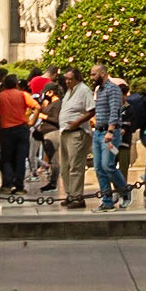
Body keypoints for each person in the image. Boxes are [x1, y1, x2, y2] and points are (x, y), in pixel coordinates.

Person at [89, 62, 131, 212]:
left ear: (102, 73)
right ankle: (107, 200)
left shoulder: (113, 89)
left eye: (94, 74)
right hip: (98, 132)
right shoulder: (99, 90)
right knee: (99, 168)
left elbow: (115, 110)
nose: (92, 77)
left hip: (109, 133)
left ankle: (125, 190)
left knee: (108, 165)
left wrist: (111, 131)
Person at [56, 66, 91, 209]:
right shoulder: (69, 91)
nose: (68, 81)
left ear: (77, 79)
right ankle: (70, 194)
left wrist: (77, 122)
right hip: (65, 132)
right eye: (66, 79)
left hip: (77, 132)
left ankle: (77, 196)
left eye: (70, 79)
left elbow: (91, 110)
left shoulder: (84, 90)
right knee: (65, 166)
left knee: (75, 165)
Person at [0, 73, 32, 195]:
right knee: (20, 158)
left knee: (6, 158)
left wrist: (0, 121)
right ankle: (19, 186)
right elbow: (37, 107)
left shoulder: (0, 97)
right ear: (16, 84)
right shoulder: (23, 94)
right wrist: (31, 121)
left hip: (6, 129)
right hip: (22, 129)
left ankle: (7, 185)